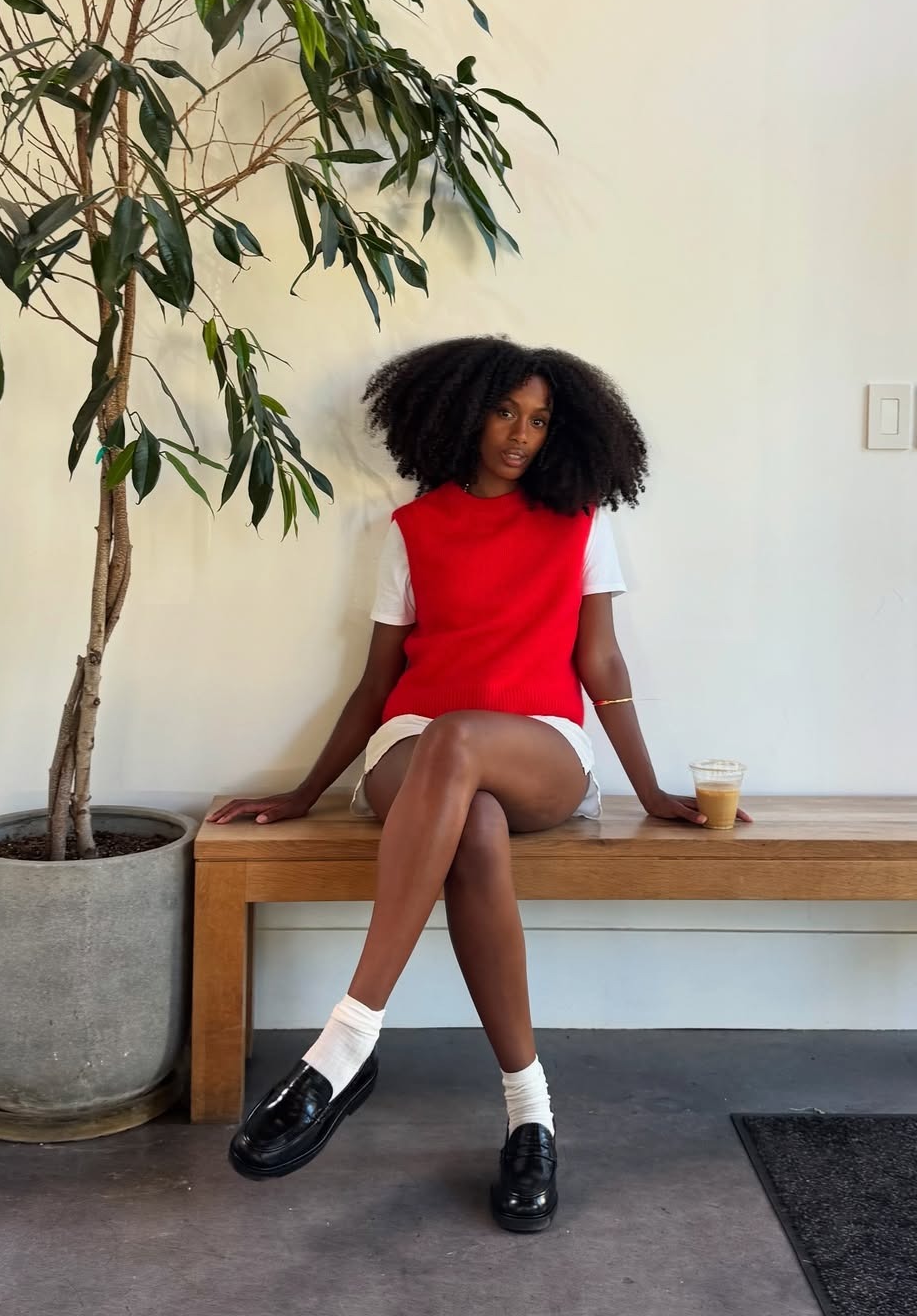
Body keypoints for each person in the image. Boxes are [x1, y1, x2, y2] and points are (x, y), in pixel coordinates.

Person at [209, 335, 751, 1233]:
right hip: (414, 744)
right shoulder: (412, 529)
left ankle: (345, 1043)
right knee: (475, 823)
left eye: (539, 419)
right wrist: (303, 793)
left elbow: (601, 660)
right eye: (505, 412)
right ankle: (530, 1115)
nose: (521, 435)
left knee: (460, 740)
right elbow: (377, 684)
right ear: (465, 414)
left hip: (539, 743)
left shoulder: (581, 522)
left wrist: (650, 790)